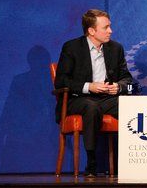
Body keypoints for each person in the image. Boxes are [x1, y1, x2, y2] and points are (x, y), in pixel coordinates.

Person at [54, 9, 133, 177]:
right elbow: (61, 81)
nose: (110, 31)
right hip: (79, 99)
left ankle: (130, 160)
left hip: (106, 98)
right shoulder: (72, 47)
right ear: (91, 31)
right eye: (106, 27)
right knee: (91, 107)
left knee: (130, 106)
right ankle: (91, 162)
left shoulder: (115, 48)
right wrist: (89, 86)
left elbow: (127, 78)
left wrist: (118, 87)